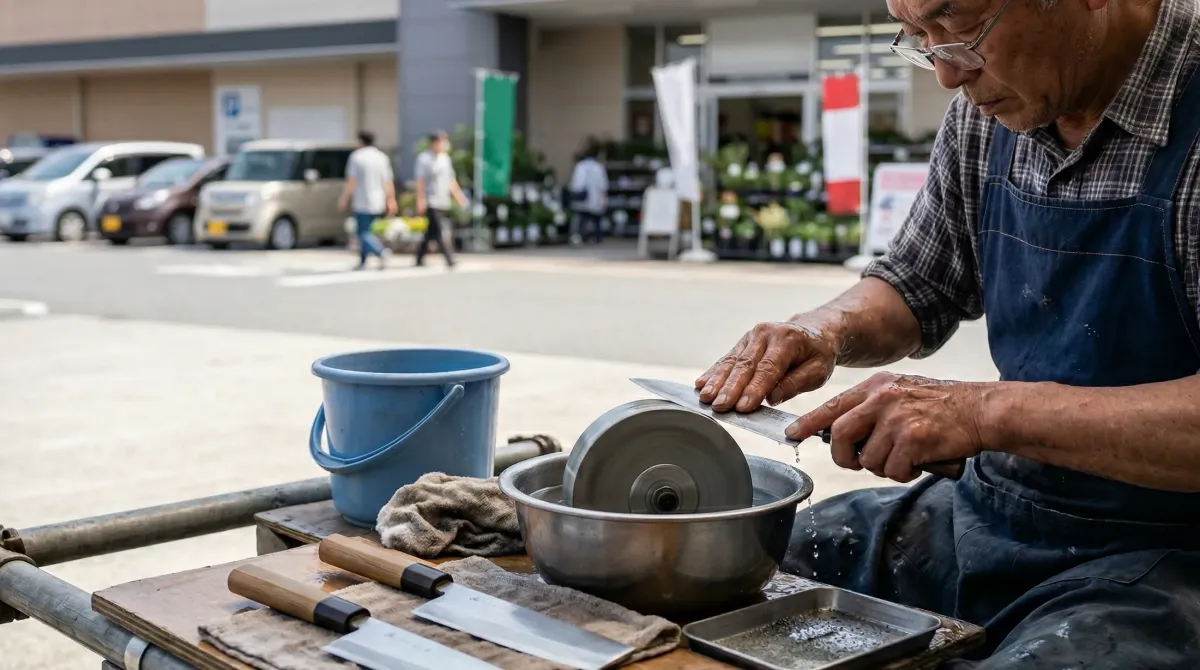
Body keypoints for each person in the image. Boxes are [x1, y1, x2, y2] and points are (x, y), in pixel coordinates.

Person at [695, 0, 1200, 666]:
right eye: (921, 40)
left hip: (1169, 552)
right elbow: (918, 281)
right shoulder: (994, 107)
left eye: (962, 30)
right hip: (996, 512)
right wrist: (822, 330)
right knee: (713, 571)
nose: (947, 75)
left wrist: (982, 414)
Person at [338, 130, 396, 271]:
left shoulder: (357, 157)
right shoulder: (381, 157)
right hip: (378, 200)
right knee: (367, 231)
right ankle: (363, 261)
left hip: (362, 200)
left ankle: (380, 251)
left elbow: (352, 180)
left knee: (362, 233)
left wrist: (344, 197)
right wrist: (391, 199)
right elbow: (388, 181)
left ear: (360, 141)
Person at [414, 130, 469, 268]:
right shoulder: (424, 159)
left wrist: (459, 196)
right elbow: (420, 181)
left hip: (443, 199)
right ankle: (449, 257)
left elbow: (451, 180)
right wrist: (420, 199)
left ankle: (419, 257)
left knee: (430, 231)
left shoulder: (445, 159)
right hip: (430, 199)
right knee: (439, 230)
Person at [568, 141, 609, 245]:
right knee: (597, 221)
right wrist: (604, 200)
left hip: (583, 199)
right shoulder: (598, 167)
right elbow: (603, 185)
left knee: (582, 220)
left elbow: (575, 184)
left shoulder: (580, 166)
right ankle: (598, 239)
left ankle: (579, 237)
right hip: (595, 200)